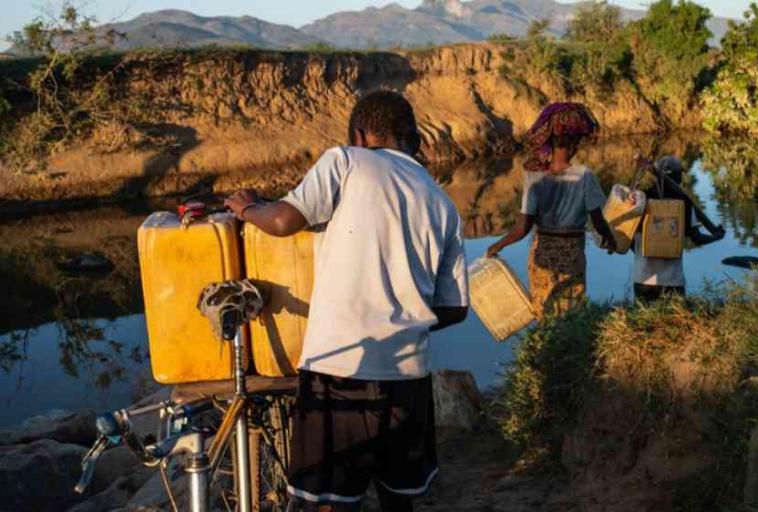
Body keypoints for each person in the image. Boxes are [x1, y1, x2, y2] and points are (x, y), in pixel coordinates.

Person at [225, 91, 469, 512]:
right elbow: (455, 308)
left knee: (332, 500)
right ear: (411, 138)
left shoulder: (347, 161)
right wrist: (403, 316)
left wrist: (248, 209)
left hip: (342, 368)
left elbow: (283, 220)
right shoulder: (441, 201)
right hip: (409, 375)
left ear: (359, 133)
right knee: (398, 499)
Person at [485, 102, 617, 318]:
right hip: (571, 254)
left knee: (544, 308)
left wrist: (497, 245)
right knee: (572, 312)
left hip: (542, 255)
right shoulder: (585, 176)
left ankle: (547, 348)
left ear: (549, 142)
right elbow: (598, 221)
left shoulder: (534, 175)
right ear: (574, 144)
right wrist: (609, 238)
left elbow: (522, 228)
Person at [632, 155, 725, 302]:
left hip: (643, 277)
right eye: (680, 174)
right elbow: (697, 238)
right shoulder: (684, 203)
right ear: (677, 177)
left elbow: (629, 237)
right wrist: (716, 237)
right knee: (673, 324)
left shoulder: (641, 199)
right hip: (673, 281)